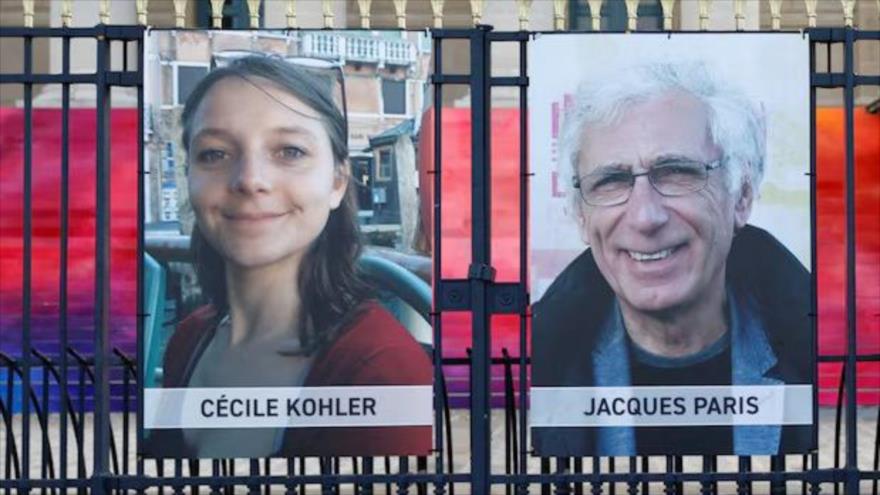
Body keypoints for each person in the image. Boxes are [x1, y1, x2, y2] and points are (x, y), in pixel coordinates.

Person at [148, 56, 431, 458]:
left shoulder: (382, 368)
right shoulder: (188, 338)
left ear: (337, 182)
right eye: (214, 154)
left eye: (290, 151)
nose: (249, 179)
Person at [532, 61, 812, 456]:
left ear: (742, 196)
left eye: (677, 172)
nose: (646, 217)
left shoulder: (818, 356)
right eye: (611, 181)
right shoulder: (539, 369)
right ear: (581, 215)